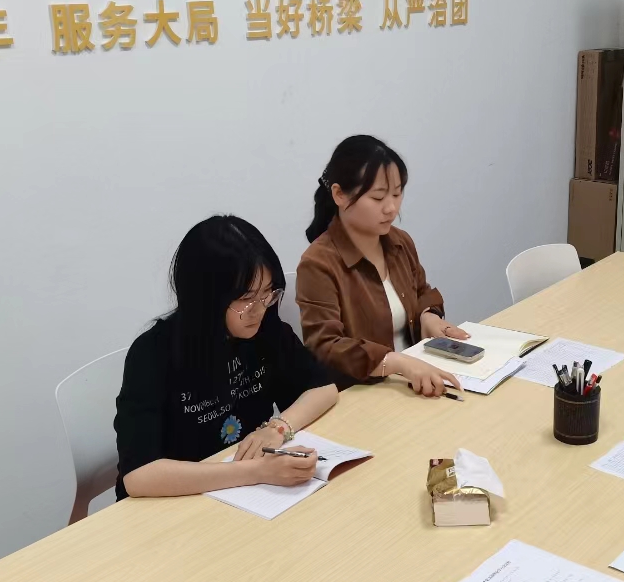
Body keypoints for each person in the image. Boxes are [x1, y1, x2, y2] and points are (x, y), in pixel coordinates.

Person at [114, 216, 338, 500]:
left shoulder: (265, 330)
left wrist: (278, 428)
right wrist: (257, 472)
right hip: (173, 501)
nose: (260, 309)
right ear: (206, 298)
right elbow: (139, 477)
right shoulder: (153, 353)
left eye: (267, 293)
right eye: (246, 298)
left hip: (244, 493)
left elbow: (323, 389)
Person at [297, 135, 468, 397]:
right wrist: (398, 363)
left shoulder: (399, 242)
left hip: (416, 383)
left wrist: (428, 317)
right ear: (339, 194)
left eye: (397, 194)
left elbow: (421, 292)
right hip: (363, 394)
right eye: (378, 198)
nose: (391, 208)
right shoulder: (317, 264)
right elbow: (327, 346)